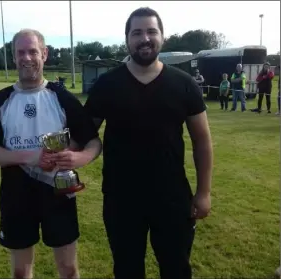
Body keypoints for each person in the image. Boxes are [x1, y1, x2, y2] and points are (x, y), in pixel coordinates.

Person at [84, 7, 213, 279]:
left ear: (162, 37)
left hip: (172, 197)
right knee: (127, 269)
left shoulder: (184, 84)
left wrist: (203, 192)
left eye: (151, 31)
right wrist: (60, 154)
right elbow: (85, 133)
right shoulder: (107, 84)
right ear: (127, 39)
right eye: (137, 32)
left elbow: (201, 141)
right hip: (121, 198)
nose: (145, 38)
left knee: (176, 268)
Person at [0, 28, 102, 279]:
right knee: (21, 272)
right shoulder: (0, 101)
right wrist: (30, 156)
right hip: (16, 195)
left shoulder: (62, 97)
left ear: (44, 54)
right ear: (14, 57)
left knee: (68, 269)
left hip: (58, 192)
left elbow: (93, 142)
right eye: (20, 52)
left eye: (32, 51)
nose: (26, 58)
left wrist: (80, 158)